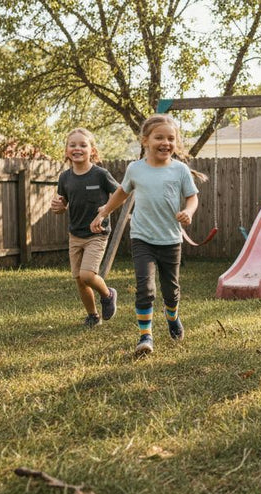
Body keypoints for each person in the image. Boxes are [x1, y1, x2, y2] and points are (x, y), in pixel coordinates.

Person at [94, 114, 200, 356]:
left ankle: (172, 317)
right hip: (142, 238)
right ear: (145, 141)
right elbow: (122, 192)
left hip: (171, 239)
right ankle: (145, 336)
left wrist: (188, 211)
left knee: (170, 290)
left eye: (171, 138)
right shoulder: (136, 169)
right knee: (145, 288)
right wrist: (104, 212)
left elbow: (192, 196)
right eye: (159, 137)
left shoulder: (180, 170)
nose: (166, 142)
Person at [50, 128, 120, 328]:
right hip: (75, 234)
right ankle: (93, 316)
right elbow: (62, 202)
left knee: (88, 275)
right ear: (66, 150)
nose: (77, 148)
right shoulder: (65, 177)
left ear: (92, 150)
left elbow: (120, 194)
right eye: (72, 145)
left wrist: (105, 210)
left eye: (83, 145)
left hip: (97, 234)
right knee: (80, 280)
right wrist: (59, 208)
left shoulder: (100, 175)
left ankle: (108, 295)